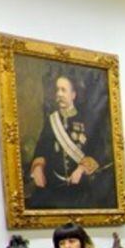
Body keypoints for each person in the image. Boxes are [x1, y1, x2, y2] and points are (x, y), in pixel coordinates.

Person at [27, 74, 113, 210]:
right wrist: (38, 168)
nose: (59, 94)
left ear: (73, 95)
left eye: (63, 90)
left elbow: (99, 150)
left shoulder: (87, 120)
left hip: (82, 189)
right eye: (57, 90)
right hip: (54, 188)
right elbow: (42, 148)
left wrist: (81, 168)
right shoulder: (52, 121)